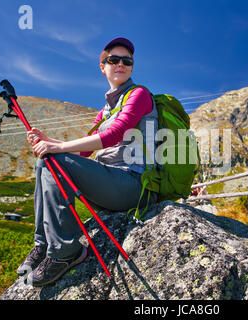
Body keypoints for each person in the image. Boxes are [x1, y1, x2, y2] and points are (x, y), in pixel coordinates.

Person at [17, 37, 158, 287]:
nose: (121, 64)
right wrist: (50, 143)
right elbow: (83, 153)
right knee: (47, 162)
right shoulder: (104, 111)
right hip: (111, 183)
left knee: (54, 160)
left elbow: (114, 135)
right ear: (102, 66)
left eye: (127, 61)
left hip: (134, 184)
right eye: (113, 60)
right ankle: (44, 244)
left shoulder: (139, 95)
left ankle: (66, 253)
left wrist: (57, 148)